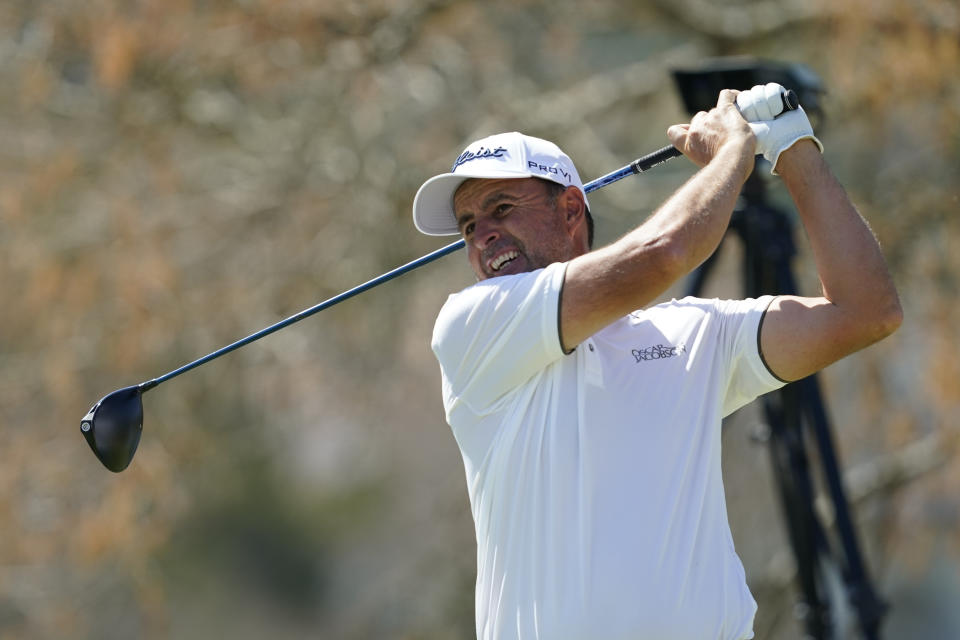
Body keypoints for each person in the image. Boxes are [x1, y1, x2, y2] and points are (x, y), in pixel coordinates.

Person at [411, 84, 901, 640]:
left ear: (571, 209)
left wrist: (793, 148)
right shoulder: (472, 326)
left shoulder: (691, 333)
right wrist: (735, 152)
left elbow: (866, 312)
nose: (483, 236)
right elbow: (664, 252)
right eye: (469, 226)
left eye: (500, 208)